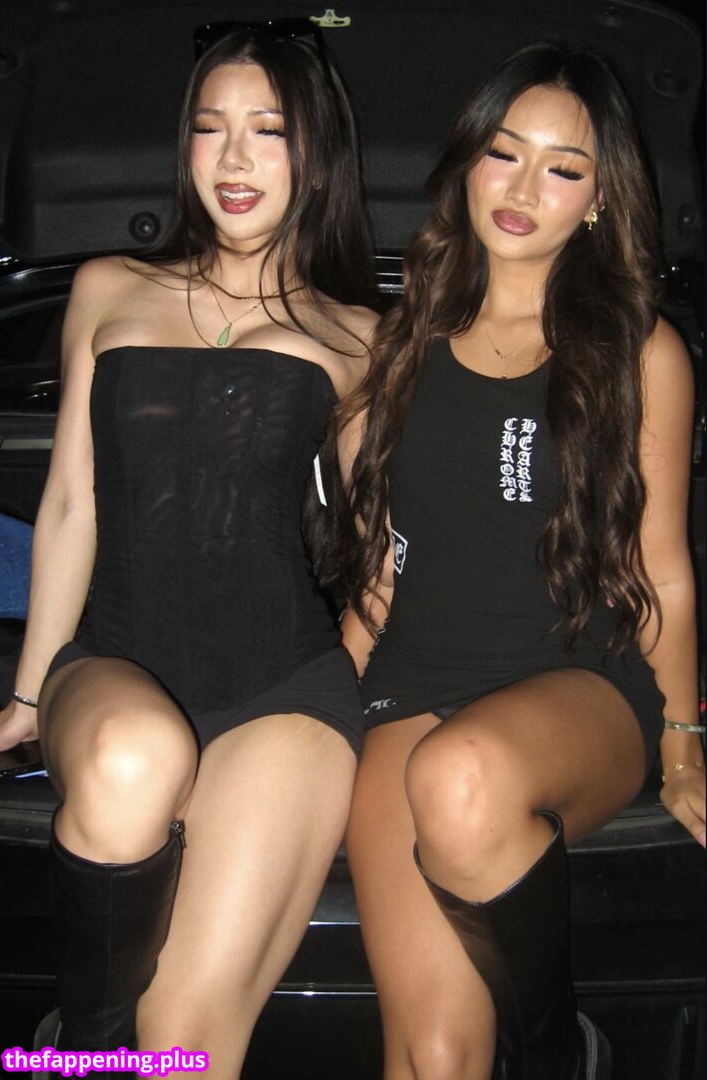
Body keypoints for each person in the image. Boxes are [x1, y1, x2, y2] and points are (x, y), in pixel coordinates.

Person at [0, 21, 377, 1078]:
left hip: (285, 686)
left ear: (316, 155)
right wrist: (31, 694)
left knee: (183, 1051)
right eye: (211, 128)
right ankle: (82, 1048)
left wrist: (357, 667)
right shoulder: (108, 287)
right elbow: (70, 503)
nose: (235, 158)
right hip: (116, 659)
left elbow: (386, 540)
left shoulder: (362, 334)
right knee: (134, 757)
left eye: (269, 130)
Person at [337, 42, 706, 1080]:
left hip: (580, 681)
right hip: (411, 684)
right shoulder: (400, 342)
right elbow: (380, 566)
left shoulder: (639, 351)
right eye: (504, 152)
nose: (523, 187)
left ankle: (552, 1055)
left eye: (563, 167)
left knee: (458, 778)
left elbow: (663, 567)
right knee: (432, 1058)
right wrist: (320, 711)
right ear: (467, 161)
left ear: (599, 198)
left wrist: (683, 744)